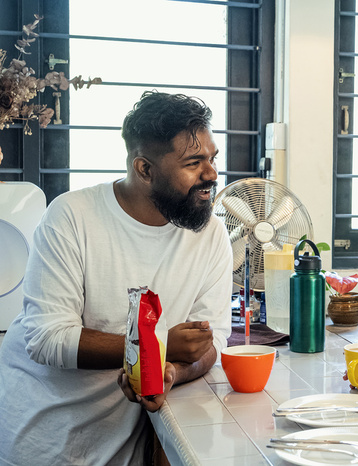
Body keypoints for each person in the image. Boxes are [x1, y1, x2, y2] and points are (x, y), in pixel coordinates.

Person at [0, 91, 233, 465]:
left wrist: (171, 370)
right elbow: (46, 338)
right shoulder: (72, 216)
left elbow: (213, 339)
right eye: (194, 162)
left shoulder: (210, 233)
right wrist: (155, 348)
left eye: (212, 158)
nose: (211, 174)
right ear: (144, 169)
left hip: (122, 443)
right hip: (44, 441)